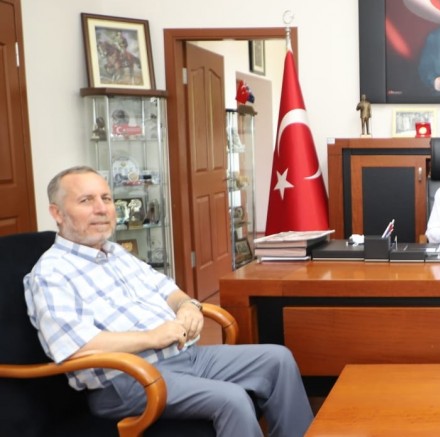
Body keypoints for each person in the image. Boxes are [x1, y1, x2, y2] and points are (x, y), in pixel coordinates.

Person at [23, 166, 313, 437]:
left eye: (106, 198)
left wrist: (188, 306)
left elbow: (168, 290)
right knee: (232, 399)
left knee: (277, 360)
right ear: (57, 212)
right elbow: (74, 347)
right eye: (86, 200)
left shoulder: (115, 253)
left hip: (185, 356)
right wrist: (152, 337)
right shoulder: (51, 273)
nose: (101, 208)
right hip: (129, 380)